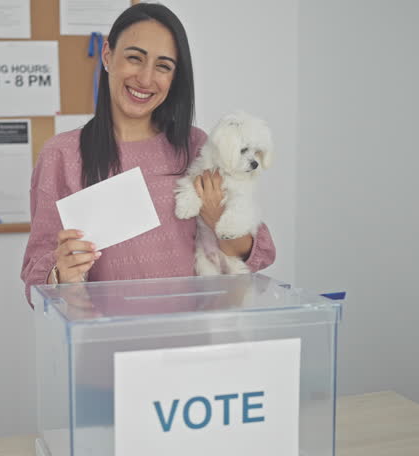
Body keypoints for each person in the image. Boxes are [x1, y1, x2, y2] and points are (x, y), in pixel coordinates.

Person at [21, 3, 275, 304]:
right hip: (105, 342)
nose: (145, 78)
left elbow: (258, 254)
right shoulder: (62, 155)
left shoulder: (196, 146)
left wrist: (219, 219)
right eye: (134, 58)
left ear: (174, 77)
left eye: (163, 66)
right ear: (107, 55)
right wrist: (61, 274)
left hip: (192, 338)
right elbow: (35, 279)